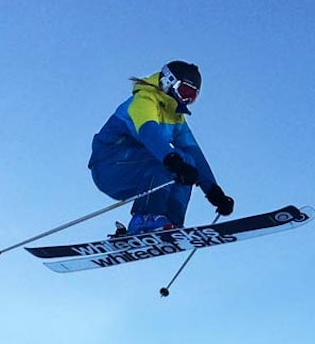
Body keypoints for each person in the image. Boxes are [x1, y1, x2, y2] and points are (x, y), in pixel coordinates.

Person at [88, 61, 234, 234]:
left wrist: (213, 191)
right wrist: (172, 160)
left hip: (139, 175)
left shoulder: (176, 118)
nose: (186, 100)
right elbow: (150, 133)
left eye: (192, 97)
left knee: (188, 162)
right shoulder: (143, 100)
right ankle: (145, 218)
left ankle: (169, 223)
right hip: (108, 165)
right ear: (168, 81)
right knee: (170, 160)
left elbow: (194, 153)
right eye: (184, 92)